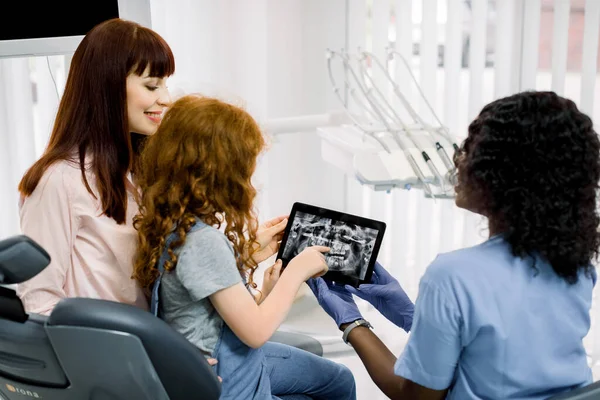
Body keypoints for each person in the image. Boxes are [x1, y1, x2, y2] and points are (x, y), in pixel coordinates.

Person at [308, 91, 599, 399]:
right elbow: (496, 357)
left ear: (504, 175)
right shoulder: (576, 266)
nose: (458, 159)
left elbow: (415, 397)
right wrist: (413, 316)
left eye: (471, 149)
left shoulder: (452, 275)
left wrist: (352, 322)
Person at [132, 94, 357, 400]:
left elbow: (205, 305)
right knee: (338, 384)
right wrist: (296, 274)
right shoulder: (204, 243)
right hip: (226, 383)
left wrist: (244, 258)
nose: (251, 182)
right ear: (219, 175)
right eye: (245, 171)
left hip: (217, 367)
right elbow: (254, 333)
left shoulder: (172, 225)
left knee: (337, 379)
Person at [16, 18, 176, 315]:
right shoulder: (59, 180)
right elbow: (38, 304)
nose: (166, 99)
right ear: (108, 86)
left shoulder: (138, 173)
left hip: (152, 343)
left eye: (166, 85)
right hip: (107, 354)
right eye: (152, 85)